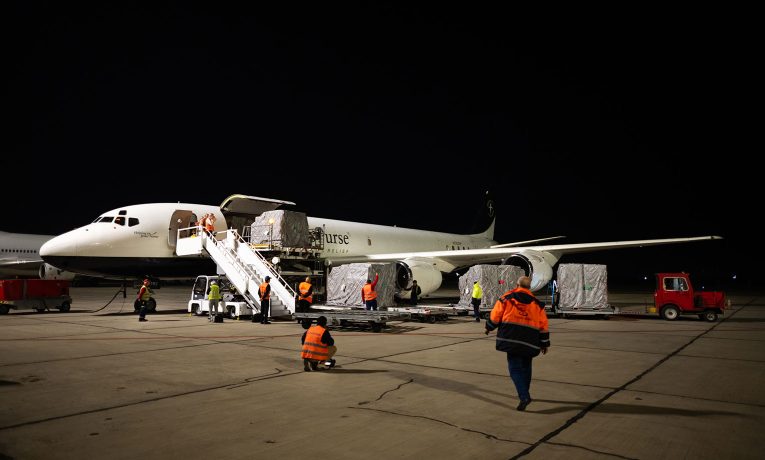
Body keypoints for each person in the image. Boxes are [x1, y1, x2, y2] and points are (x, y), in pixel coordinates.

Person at [485, 276, 550, 411]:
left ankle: (524, 396)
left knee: (514, 368)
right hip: (530, 340)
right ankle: (525, 392)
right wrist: (544, 343)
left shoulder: (507, 298)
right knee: (526, 367)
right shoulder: (537, 304)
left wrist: (489, 327)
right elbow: (543, 325)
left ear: (517, 284)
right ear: (529, 287)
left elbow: (496, 315)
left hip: (512, 338)